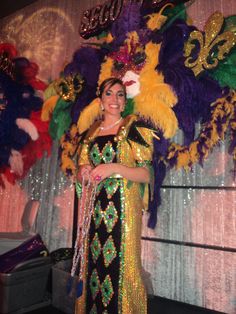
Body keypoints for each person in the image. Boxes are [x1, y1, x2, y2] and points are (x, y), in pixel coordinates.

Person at [75, 77, 154, 314]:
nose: (115, 99)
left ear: (125, 101)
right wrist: (84, 172)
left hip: (124, 213)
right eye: (109, 94)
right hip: (95, 211)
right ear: (100, 101)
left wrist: (116, 168)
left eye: (120, 94)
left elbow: (146, 174)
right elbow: (80, 171)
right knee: (94, 264)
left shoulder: (135, 129)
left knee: (123, 266)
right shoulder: (89, 134)